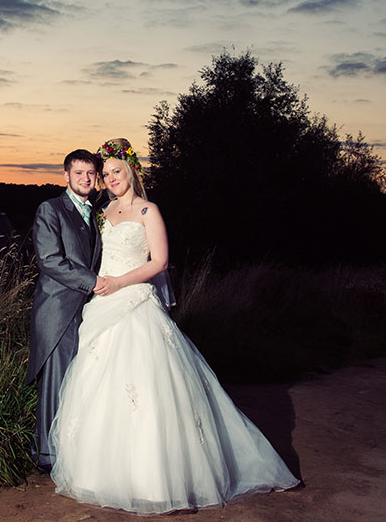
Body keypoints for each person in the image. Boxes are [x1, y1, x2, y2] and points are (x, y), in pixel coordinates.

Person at [49, 138, 300, 514]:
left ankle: (156, 480)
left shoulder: (149, 211)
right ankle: (101, 475)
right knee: (100, 385)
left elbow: (160, 263)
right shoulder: (104, 211)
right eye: (106, 174)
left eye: (116, 172)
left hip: (134, 301)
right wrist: (101, 285)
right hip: (103, 305)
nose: (111, 179)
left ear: (131, 170)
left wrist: (120, 282)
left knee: (150, 388)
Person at [26, 149, 106, 472]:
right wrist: (95, 282)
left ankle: (73, 451)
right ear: (66, 176)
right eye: (79, 173)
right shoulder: (51, 209)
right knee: (56, 383)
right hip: (58, 309)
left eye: (90, 174)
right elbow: (49, 260)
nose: (85, 179)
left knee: (78, 382)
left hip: (89, 311)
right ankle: (47, 456)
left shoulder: (97, 212)